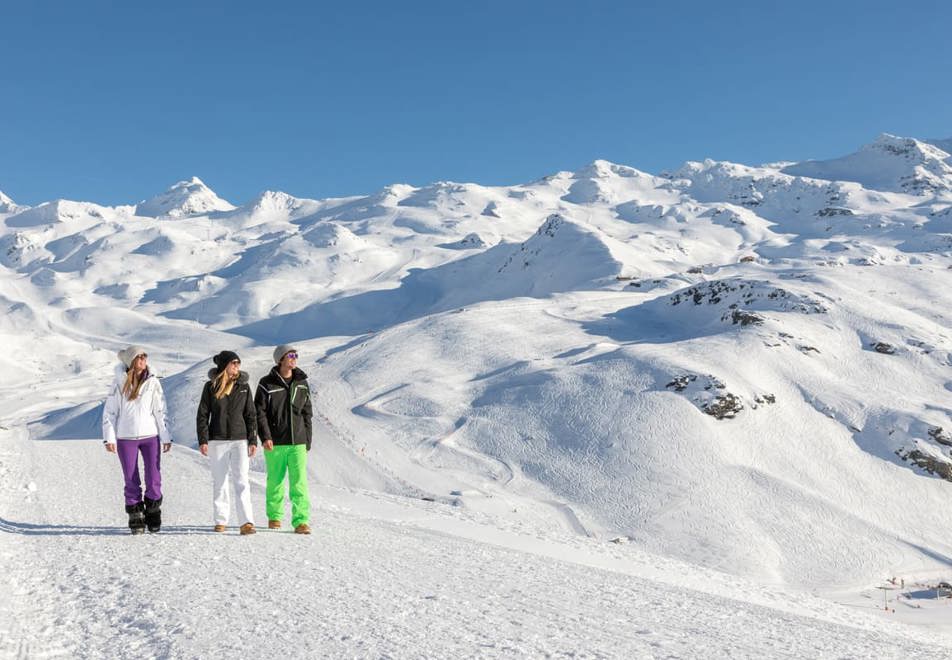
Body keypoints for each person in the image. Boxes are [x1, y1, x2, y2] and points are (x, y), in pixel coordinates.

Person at [102, 346, 172, 534]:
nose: (143, 360)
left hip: (150, 436)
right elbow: (110, 412)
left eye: (144, 356)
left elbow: (160, 410)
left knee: (154, 476)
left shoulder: (153, 381)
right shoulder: (118, 382)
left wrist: (165, 435)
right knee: (131, 478)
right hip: (126, 437)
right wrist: (109, 438)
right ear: (131, 361)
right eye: (139, 357)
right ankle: (135, 516)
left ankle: (153, 511)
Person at [196, 350, 258, 535]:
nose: (237, 366)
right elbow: (203, 414)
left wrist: (253, 439)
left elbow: (251, 415)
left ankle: (246, 522)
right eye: (234, 363)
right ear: (224, 365)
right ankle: (221, 520)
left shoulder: (244, 387)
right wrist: (203, 439)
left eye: (238, 363)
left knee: (242, 481)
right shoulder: (210, 387)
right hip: (217, 440)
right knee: (220, 481)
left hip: (240, 439)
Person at [255, 344, 313, 534]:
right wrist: (265, 437)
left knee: (299, 483)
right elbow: (259, 413)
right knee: (275, 481)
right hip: (275, 442)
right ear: (280, 359)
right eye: (290, 355)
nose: (294, 358)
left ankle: (301, 521)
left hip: (298, 442)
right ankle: (275, 517)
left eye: (296, 355)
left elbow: (307, 412)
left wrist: (307, 438)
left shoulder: (302, 383)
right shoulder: (266, 383)